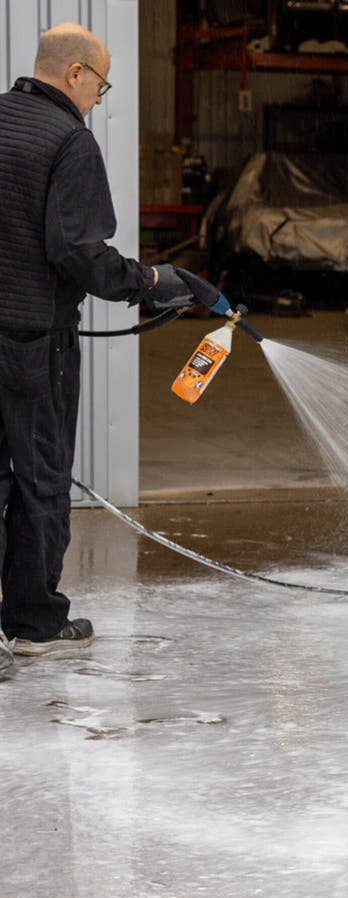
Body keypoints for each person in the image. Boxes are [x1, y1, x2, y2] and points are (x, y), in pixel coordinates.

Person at [0, 22, 193, 672]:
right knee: (40, 478)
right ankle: (34, 622)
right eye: (100, 85)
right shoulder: (68, 141)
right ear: (75, 73)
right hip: (33, 343)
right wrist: (151, 283)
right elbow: (79, 252)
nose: (99, 99)